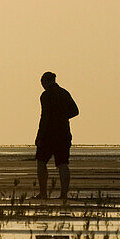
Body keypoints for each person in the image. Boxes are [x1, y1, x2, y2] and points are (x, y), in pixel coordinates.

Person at [34, 71, 78, 200]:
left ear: (45, 81)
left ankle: (43, 193)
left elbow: (45, 116)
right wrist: (63, 117)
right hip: (63, 133)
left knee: (41, 162)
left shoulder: (46, 95)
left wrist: (39, 135)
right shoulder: (64, 93)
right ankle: (63, 194)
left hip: (49, 134)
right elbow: (75, 111)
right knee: (63, 164)